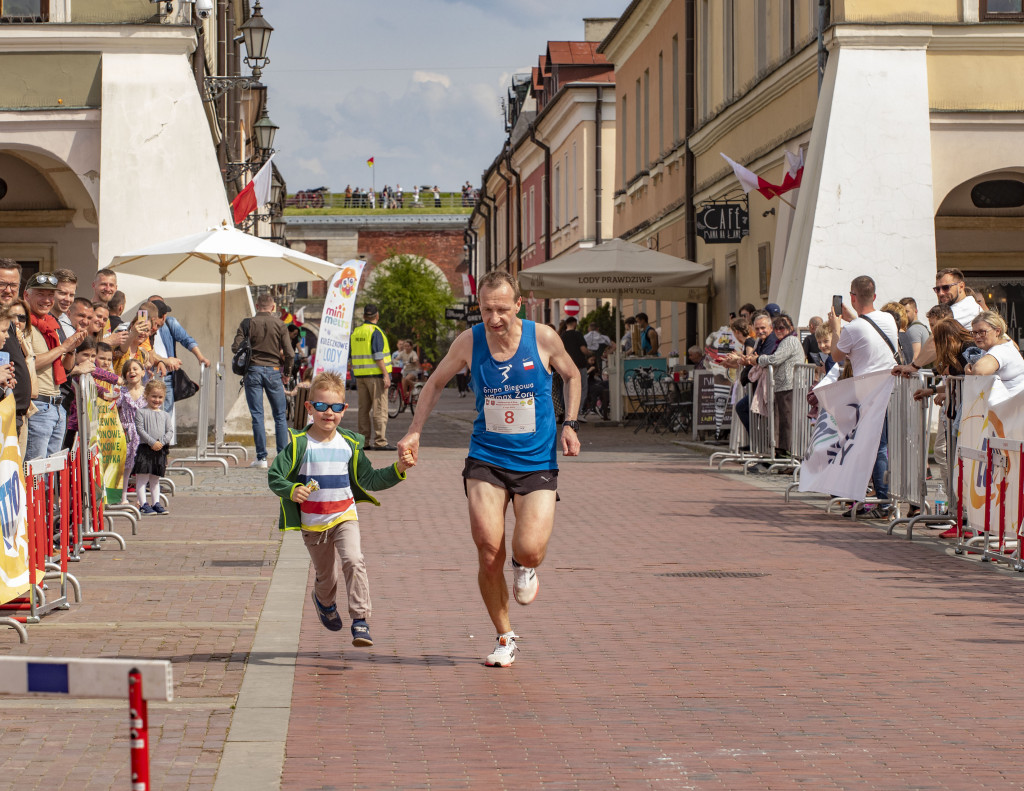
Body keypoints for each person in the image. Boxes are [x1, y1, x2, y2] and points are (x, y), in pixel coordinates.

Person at [396, 269, 582, 668]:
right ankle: (504, 636)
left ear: (519, 305)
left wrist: (570, 424)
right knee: (487, 551)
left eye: (502, 309)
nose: (494, 319)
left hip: (536, 460)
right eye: (486, 310)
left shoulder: (543, 337)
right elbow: (434, 383)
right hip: (486, 457)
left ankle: (525, 566)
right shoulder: (470, 341)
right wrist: (414, 432)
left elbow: (572, 375)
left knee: (527, 549)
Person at [268, 372, 410, 648]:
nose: (328, 413)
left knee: (354, 560)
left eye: (335, 407)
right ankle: (324, 601)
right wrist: (290, 489)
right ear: (309, 408)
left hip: (344, 516)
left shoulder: (351, 443)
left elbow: (370, 479)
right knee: (327, 577)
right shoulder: (298, 443)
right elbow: (275, 476)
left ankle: (360, 620)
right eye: (321, 406)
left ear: (344, 410)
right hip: (313, 523)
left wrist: (399, 470)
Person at [829, 275, 900, 517]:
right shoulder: (888, 318)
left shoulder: (853, 328)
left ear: (852, 297)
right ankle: (875, 498)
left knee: (874, 446)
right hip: (890, 388)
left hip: (867, 392)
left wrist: (837, 328)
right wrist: (853, 320)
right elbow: (867, 332)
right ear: (875, 296)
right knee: (875, 445)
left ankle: (882, 500)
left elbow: (836, 355)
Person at [25, 273, 86, 461]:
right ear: (27, 296)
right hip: (39, 405)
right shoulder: (24, 324)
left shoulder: (51, 325)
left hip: (57, 406)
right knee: (36, 474)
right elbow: (29, 363)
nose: (47, 300)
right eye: (41, 294)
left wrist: (72, 349)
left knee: (51, 476)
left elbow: (65, 369)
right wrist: (63, 347)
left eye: (50, 295)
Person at [231, 293, 293, 468]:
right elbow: (290, 353)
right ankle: (282, 458)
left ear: (257, 306)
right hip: (274, 371)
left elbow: (236, 347)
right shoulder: (280, 325)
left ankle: (261, 458)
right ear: (273, 307)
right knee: (280, 415)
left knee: (257, 415)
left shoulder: (247, 323)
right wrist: (286, 373)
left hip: (253, 370)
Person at [350, 304, 394, 451]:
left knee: (363, 410)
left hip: (360, 377)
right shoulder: (375, 331)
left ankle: (364, 441)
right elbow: (377, 355)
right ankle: (380, 441)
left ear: (364, 316)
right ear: (377, 316)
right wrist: (386, 375)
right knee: (379, 409)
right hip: (376, 376)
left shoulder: (356, 332)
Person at [134, 379, 173, 515]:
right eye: (154, 396)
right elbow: (140, 430)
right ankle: (143, 504)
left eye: (160, 397)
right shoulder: (141, 412)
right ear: (147, 395)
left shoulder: (165, 415)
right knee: (142, 478)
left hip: (160, 450)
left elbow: (170, 431)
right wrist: (152, 442)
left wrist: (161, 442)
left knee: (155, 479)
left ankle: (156, 502)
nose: (157, 400)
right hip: (145, 449)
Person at [967, 311, 1024, 397]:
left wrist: (969, 371)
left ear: (997, 331)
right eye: (974, 333)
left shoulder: (1001, 350)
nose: (977, 336)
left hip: (1013, 406)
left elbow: (979, 370)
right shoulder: (992, 347)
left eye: (982, 332)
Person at [560, 316, 589, 423]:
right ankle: (578, 412)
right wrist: (591, 353)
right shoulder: (577, 335)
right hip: (579, 365)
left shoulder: (562, 336)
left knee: (567, 390)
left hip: (566, 366)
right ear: (575, 323)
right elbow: (584, 350)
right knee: (582, 388)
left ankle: (568, 413)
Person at [899, 297, 929, 364]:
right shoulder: (921, 327)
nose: (904, 315)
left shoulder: (914, 329)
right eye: (902, 312)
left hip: (918, 372)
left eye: (907, 311)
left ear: (915, 311)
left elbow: (915, 357)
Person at [53, 268, 78, 339]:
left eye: (71, 295)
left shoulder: (65, 321)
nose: (68, 299)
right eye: (63, 293)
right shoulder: (42, 322)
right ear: (51, 292)